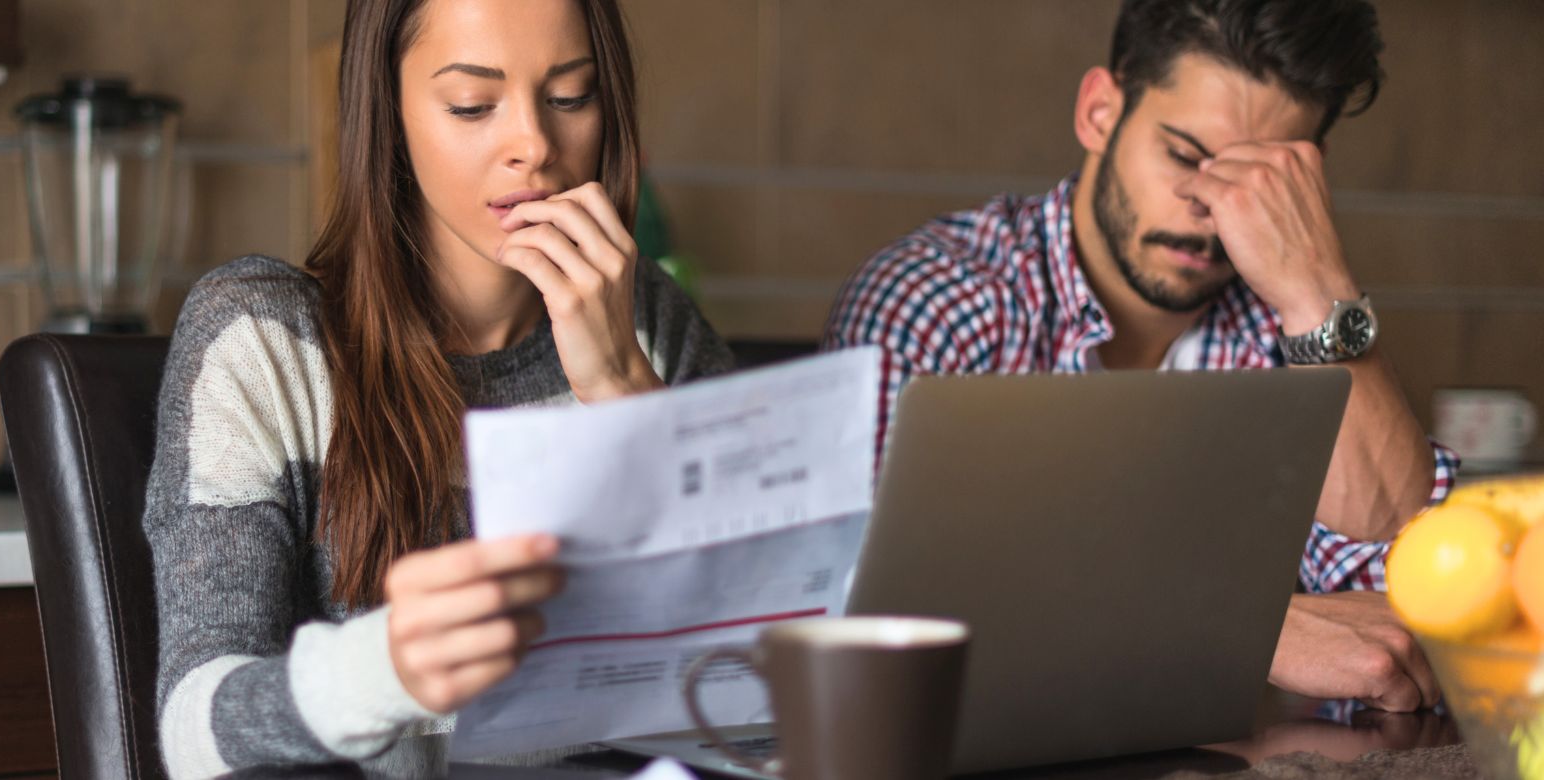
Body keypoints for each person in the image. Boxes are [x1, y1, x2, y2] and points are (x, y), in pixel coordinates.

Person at [140, 0, 731, 774]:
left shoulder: (648, 322)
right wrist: (386, 670)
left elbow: (758, 692)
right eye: (472, 105)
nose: (534, 146)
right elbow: (194, 734)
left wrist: (625, 389)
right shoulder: (266, 341)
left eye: (569, 97)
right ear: (388, 116)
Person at [826, 0, 1457, 712]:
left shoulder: (1293, 328)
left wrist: (1319, 292)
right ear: (1100, 111)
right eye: (1185, 156)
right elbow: (869, 630)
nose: (1206, 206)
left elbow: (1420, 617)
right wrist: (1250, 631)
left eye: (1254, 181)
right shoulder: (937, 300)